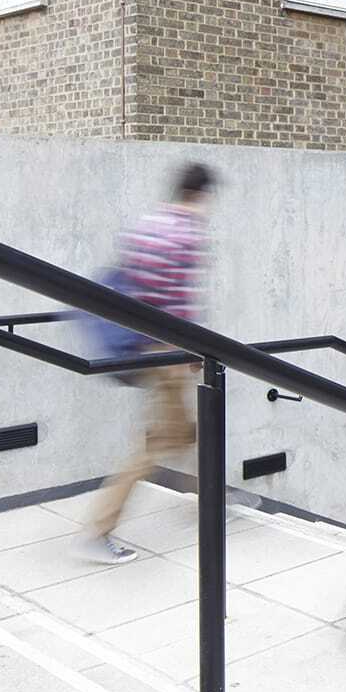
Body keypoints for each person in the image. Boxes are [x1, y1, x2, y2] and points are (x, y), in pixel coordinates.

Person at [76, 163, 216, 564]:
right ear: (202, 194)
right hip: (166, 352)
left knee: (189, 431)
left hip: (142, 344)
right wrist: (193, 351)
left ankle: (211, 500)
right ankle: (98, 530)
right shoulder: (187, 235)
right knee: (156, 445)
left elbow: (129, 286)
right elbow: (179, 304)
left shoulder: (147, 226)